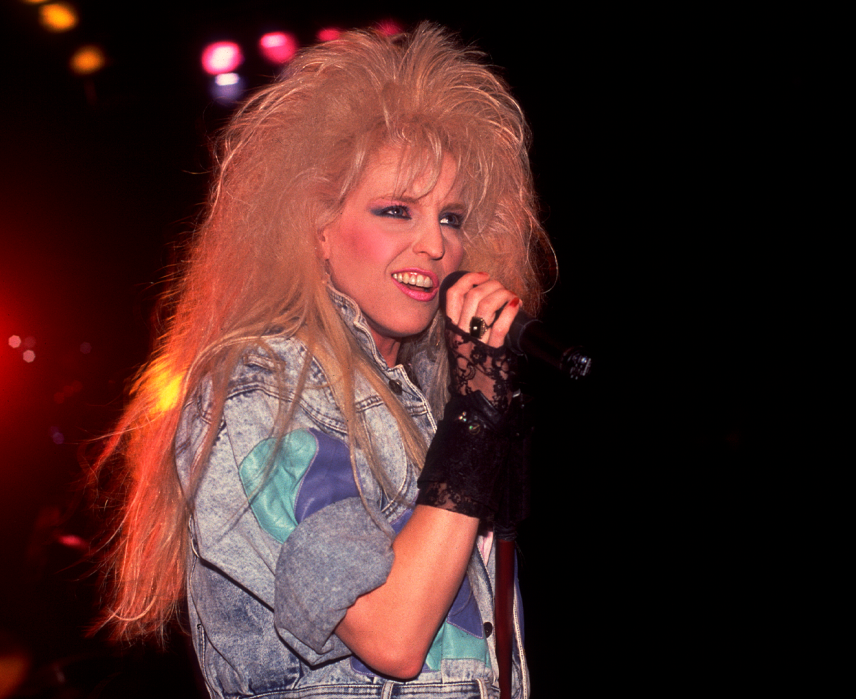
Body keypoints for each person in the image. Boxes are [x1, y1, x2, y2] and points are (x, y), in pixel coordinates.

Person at [94, 23, 550, 698]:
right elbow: (393, 634)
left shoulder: (422, 405)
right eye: (398, 210)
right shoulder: (261, 389)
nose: (435, 244)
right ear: (318, 229)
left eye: (452, 218)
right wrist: (476, 412)